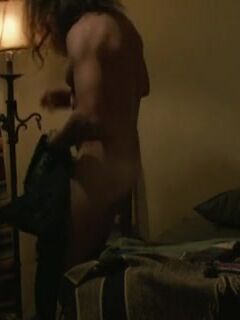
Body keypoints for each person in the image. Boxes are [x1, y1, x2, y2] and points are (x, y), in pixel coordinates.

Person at [26, 0, 149, 266]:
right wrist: (70, 96)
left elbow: (88, 118)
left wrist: (53, 146)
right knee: (104, 274)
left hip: (97, 171)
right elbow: (140, 87)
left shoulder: (83, 30)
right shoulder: (124, 27)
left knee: (64, 270)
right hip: (127, 167)